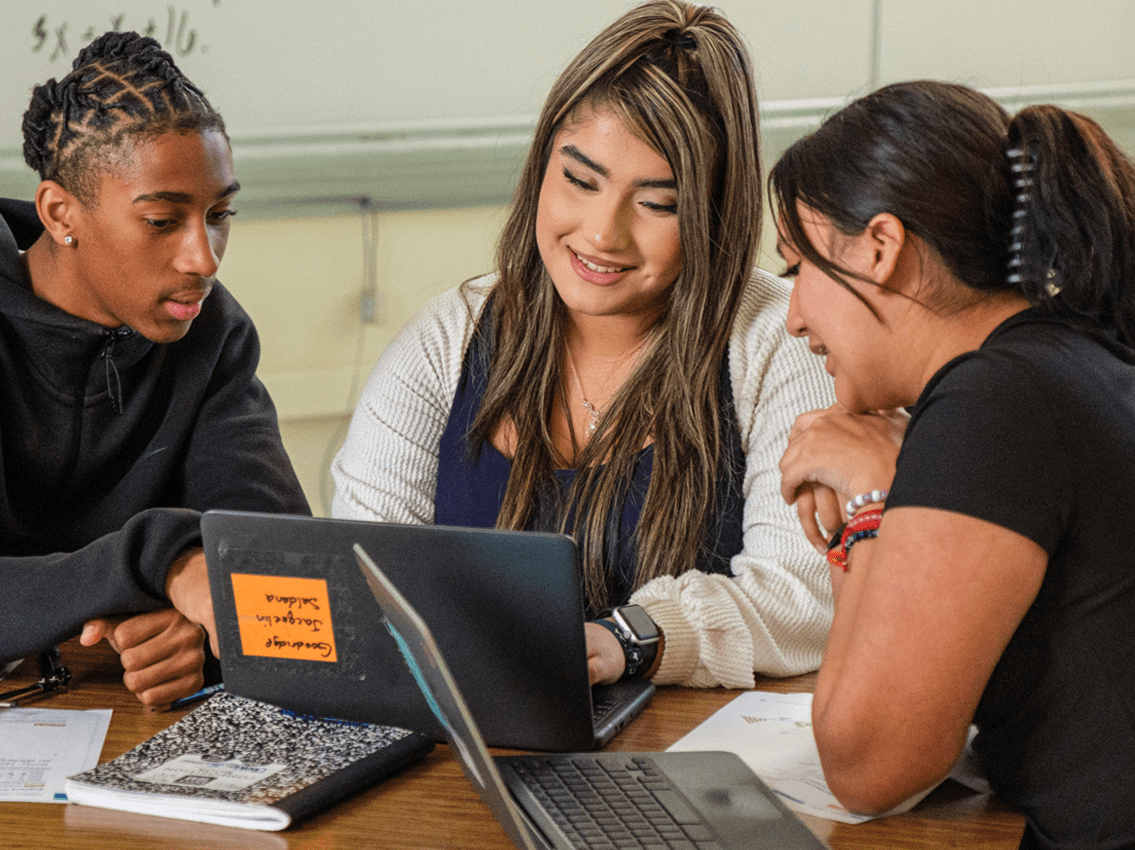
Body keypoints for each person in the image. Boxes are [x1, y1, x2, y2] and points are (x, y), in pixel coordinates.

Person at [331, 0, 835, 689]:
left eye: (657, 204)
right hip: (470, 754)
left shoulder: (777, 341)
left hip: (684, 765)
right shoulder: (446, 338)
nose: (603, 233)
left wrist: (629, 638)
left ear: (715, 211)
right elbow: (362, 579)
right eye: (579, 180)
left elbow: (803, 600)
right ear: (542, 165)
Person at [772, 80, 1135, 849]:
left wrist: (871, 501)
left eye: (797, 265)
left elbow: (868, 764)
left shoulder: (996, 402)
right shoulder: (1070, 356)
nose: (796, 315)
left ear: (880, 247)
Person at [0, 32, 310, 710]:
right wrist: (159, 562)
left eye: (220, 214)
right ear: (60, 213)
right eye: (164, 220)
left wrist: (201, 640)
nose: (205, 257)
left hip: (115, 731)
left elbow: (279, 572)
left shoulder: (213, 334)